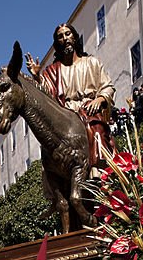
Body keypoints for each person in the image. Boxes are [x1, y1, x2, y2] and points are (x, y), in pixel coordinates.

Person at [25, 23, 116, 169]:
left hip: (89, 109)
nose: (65, 38)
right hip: (66, 113)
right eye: (60, 36)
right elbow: (47, 96)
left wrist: (99, 99)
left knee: (95, 127)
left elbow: (107, 87)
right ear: (57, 43)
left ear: (74, 37)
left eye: (68, 34)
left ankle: (98, 167)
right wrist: (37, 77)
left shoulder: (91, 63)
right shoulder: (52, 70)